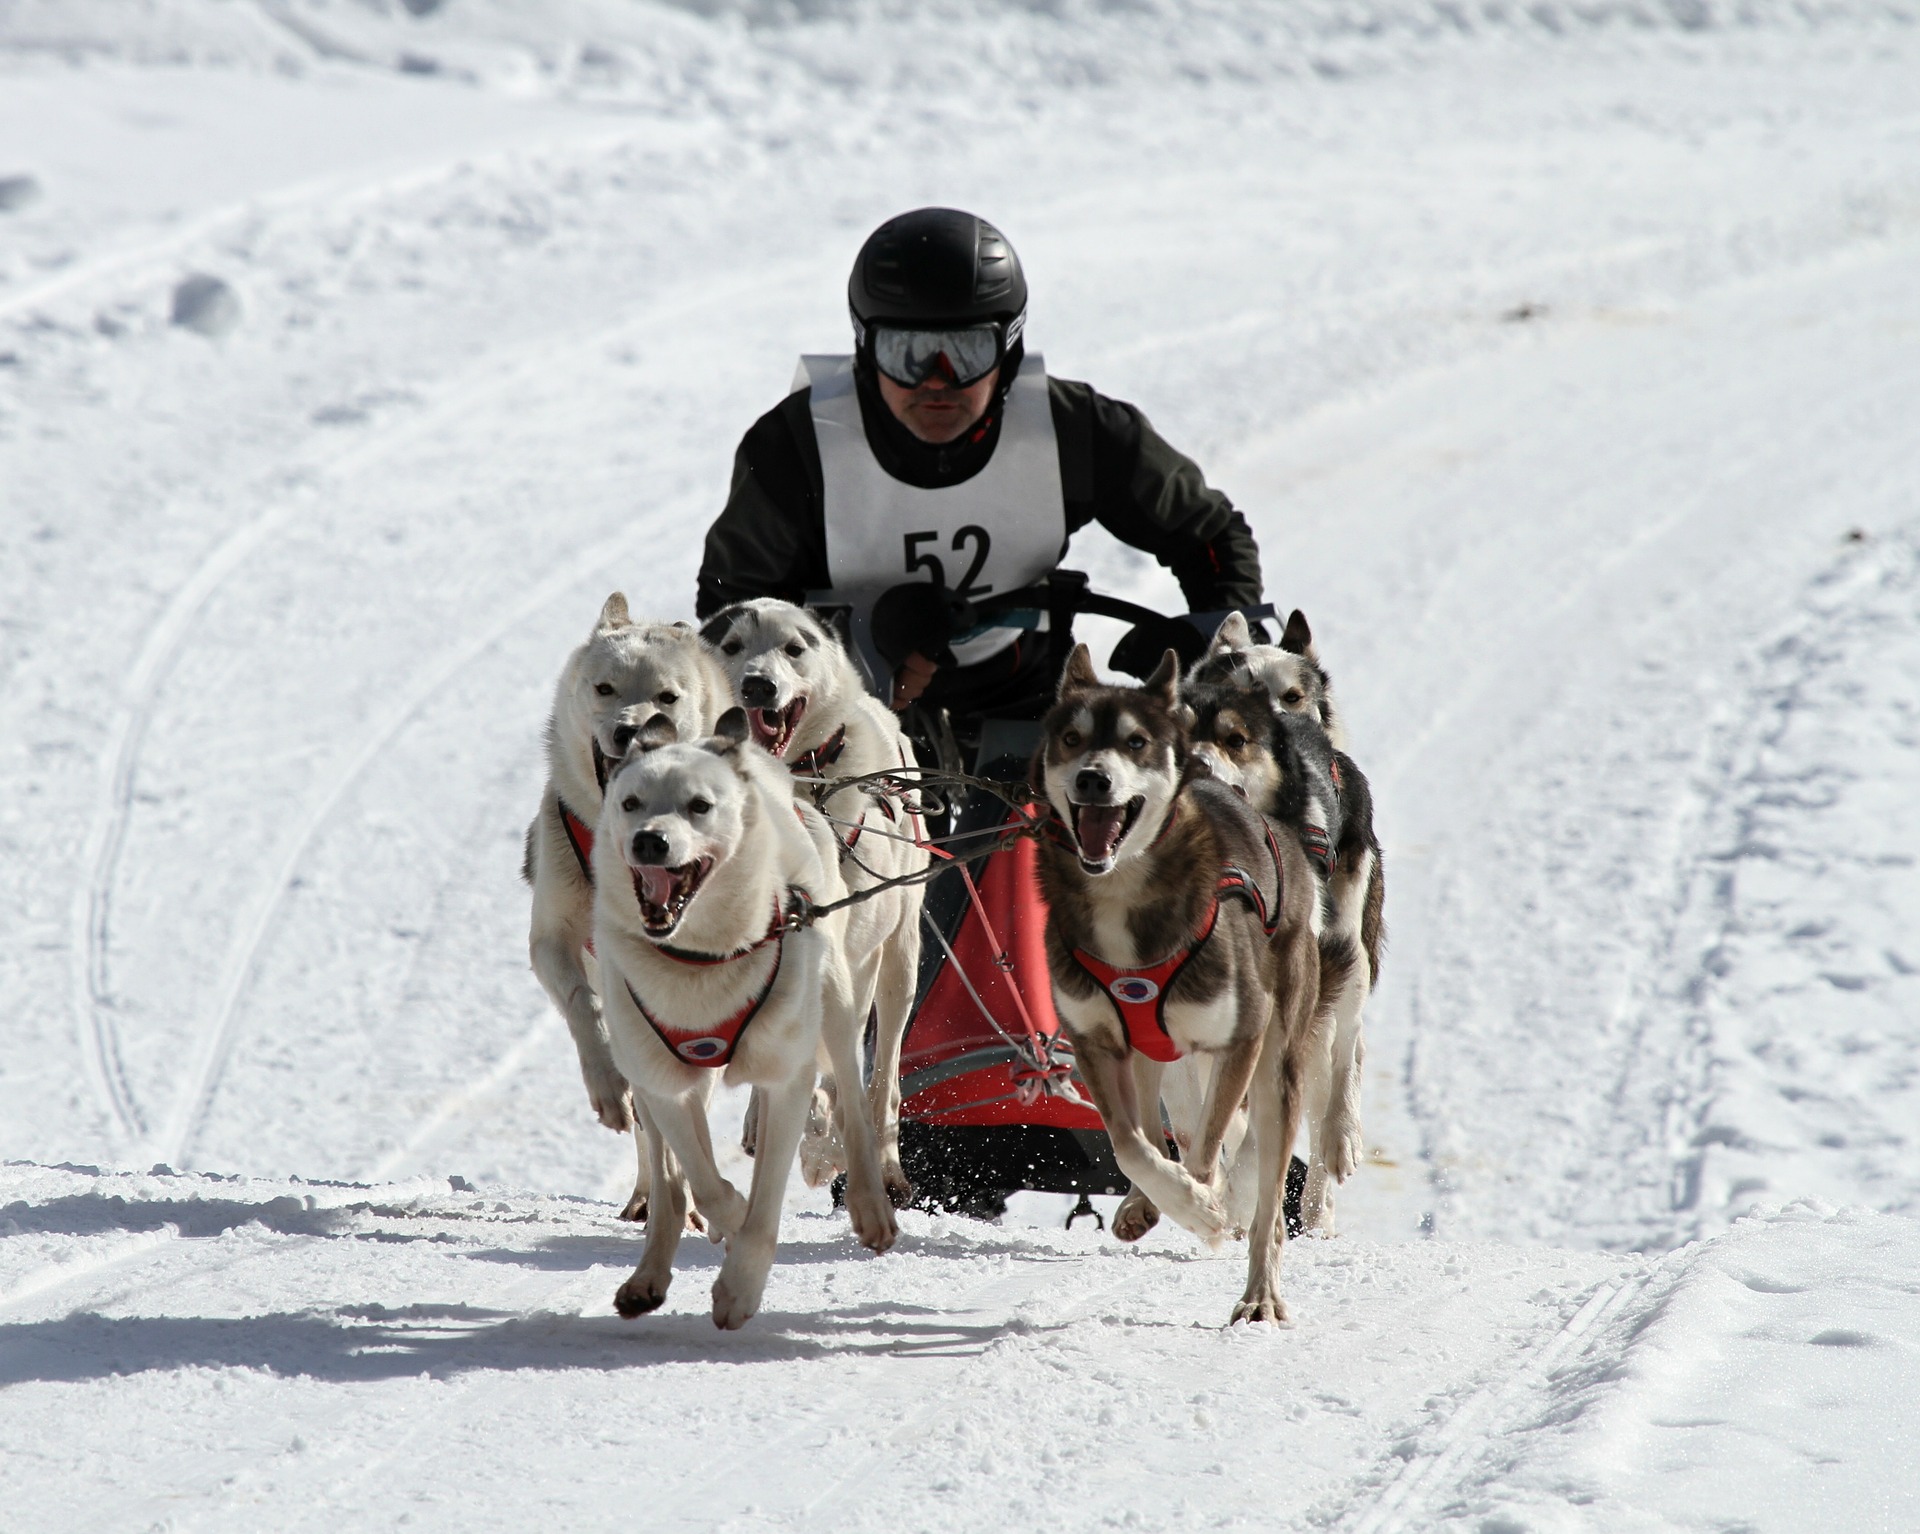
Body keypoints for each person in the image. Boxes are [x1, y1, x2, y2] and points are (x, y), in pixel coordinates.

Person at [695, 206, 1265, 737]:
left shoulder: (1075, 430)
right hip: (848, 720)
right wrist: (861, 641)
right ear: (866, 350)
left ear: (1009, 350)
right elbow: (730, 605)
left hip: (1035, 712)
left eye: (966, 352)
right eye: (907, 353)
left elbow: (1211, 537)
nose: (937, 381)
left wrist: (1212, 655)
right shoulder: (794, 448)